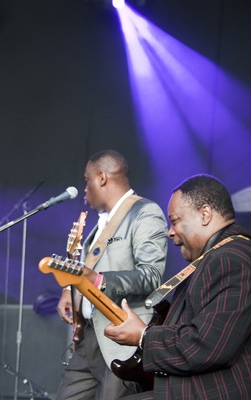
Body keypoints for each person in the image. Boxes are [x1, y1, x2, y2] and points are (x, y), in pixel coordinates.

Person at [104, 174, 251, 400]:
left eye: (176, 220)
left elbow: (207, 346)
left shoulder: (231, 259)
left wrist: (143, 336)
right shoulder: (226, 256)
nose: (170, 232)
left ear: (205, 214)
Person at [56, 149, 168, 400]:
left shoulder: (145, 212)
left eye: (87, 180)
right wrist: (68, 292)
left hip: (121, 340)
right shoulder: (100, 224)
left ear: (102, 178)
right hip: (89, 338)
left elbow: (151, 275)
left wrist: (100, 281)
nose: (84, 189)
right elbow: (88, 269)